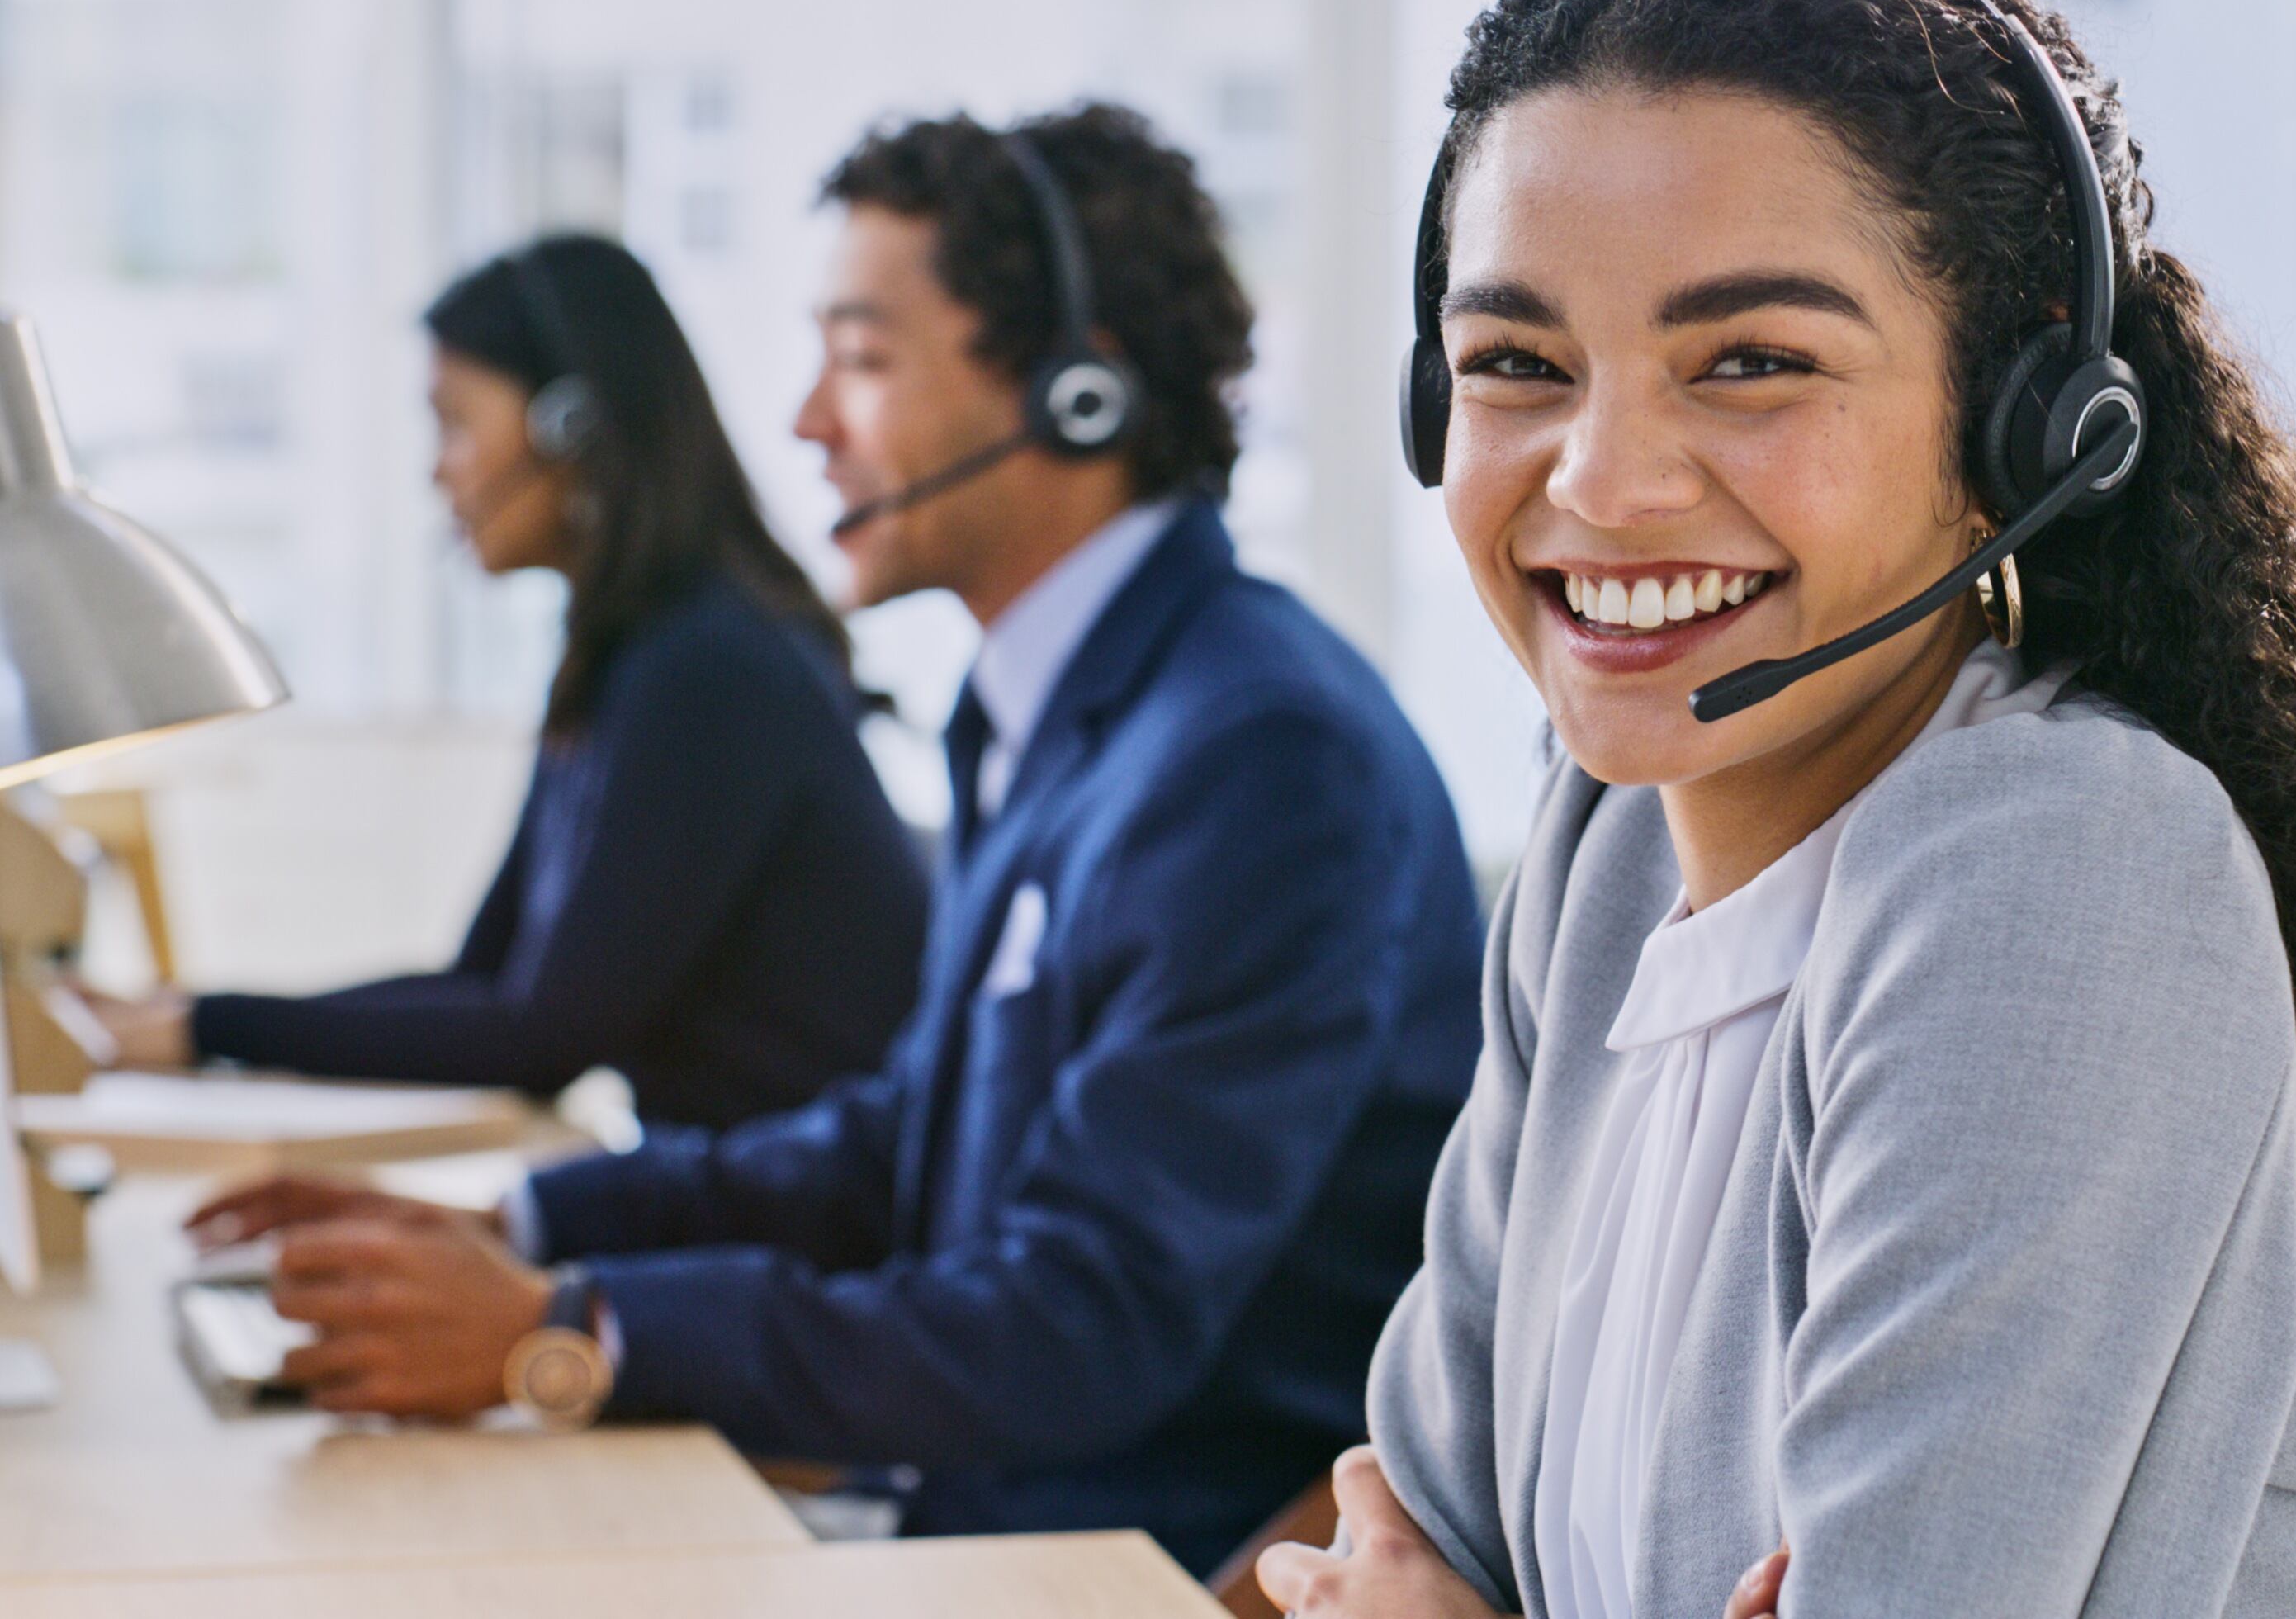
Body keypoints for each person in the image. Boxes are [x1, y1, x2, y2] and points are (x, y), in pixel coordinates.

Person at [1259, 0, 2296, 1618]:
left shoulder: (2059, 868)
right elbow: (1410, 1515)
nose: (1597, 480)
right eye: (1517, 361)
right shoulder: (1605, 847)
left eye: (1749, 360)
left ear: (2027, 424)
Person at [189, 105, 1486, 1575]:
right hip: (972, 1507)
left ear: (1077, 395)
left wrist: (571, 1333)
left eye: (862, 360)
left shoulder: (1257, 755)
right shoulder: (1047, 709)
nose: (807, 420)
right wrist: (523, 1221)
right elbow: (899, 1140)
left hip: (1111, 1561)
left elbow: (1076, 1324)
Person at [78, 234, 926, 1133]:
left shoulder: (707, 669)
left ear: (573, 429)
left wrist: (205, 1030)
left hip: (796, 1230)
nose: (437, 468)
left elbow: (542, 1036)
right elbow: (484, 977)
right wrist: (192, 1016)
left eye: (454, 422)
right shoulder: (622, 657)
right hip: (717, 1203)